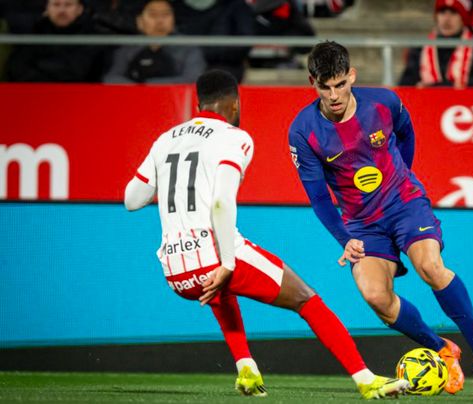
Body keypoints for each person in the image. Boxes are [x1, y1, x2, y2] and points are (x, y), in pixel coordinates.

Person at [123, 69, 409, 400]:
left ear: (199, 104)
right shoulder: (233, 137)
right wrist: (227, 262)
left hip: (175, 273)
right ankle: (366, 380)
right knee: (307, 299)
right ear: (234, 103)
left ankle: (246, 368)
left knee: (223, 291)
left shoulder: (166, 139)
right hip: (212, 256)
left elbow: (132, 200)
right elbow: (221, 202)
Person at [288, 41, 473, 398]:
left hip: (404, 204)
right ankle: (441, 348)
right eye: (325, 87)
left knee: (431, 267)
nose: (334, 95)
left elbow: (407, 134)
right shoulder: (303, 131)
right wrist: (345, 239)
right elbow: (319, 198)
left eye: (340, 84)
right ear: (313, 82)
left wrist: (400, 179)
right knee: (375, 296)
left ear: (351, 75)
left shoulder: (384, 102)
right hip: (361, 224)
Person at [103, 0, 205, 84]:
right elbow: (111, 78)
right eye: (153, 15)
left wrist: (147, 85)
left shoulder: (188, 48)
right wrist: (139, 90)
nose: (160, 21)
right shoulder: (127, 49)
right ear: (140, 21)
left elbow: (194, 79)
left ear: (173, 19)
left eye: (166, 14)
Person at [5, 0, 105, 82]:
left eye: (68, 5)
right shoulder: (35, 33)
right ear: (47, 8)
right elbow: (17, 68)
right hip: (37, 94)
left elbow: (85, 72)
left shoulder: (93, 37)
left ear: (80, 9)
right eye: (56, 4)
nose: (62, 10)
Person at [398, 0, 473, 88]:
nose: (447, 19)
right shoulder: (418, 52)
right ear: (436, 17)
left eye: (453, 13)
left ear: (463, 19)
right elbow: (405, 86)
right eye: (442, 12)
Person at [173, 0, 255, 83]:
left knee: (218, 79)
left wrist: (203, 52)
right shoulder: (177, 6)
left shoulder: (236, 5)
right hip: (182, 64)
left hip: (223, 65)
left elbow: (244, 43)